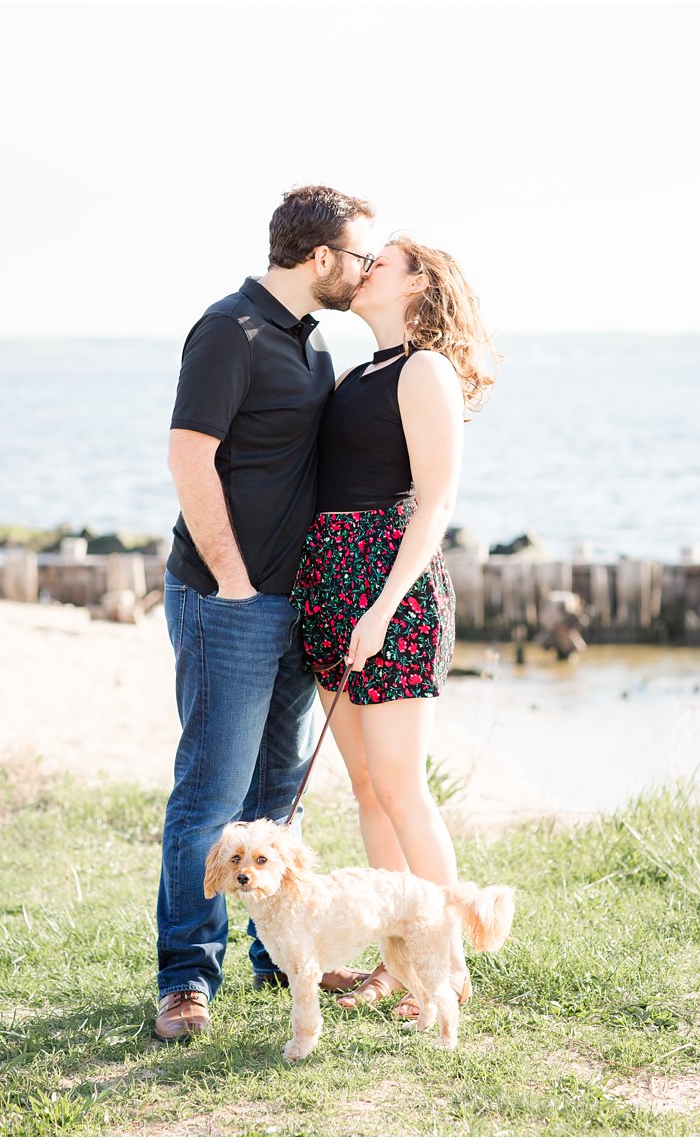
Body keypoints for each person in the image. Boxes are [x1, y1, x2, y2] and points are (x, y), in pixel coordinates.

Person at [157, 185, 376, 1041]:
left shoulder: (310, 343)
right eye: (359, 257)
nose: (363, 273)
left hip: (295, 603)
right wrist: (235, 580)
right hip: (230, 601)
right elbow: (189, 458)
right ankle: (186, 978)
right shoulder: (230, 330)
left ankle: (275, 952)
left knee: (276, 794)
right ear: (320, 258)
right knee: (211, 798)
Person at [288, 236, 497, 1019]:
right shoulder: (354, 375)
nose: (365, 265)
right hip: (333, 580)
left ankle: (448, 972)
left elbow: (436, 502)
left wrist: (379, 610)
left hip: (392, 592)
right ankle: (396, 963)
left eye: (384, 260)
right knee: (368, 790)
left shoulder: (425, 369)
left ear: (420, 285)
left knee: (404, 789)